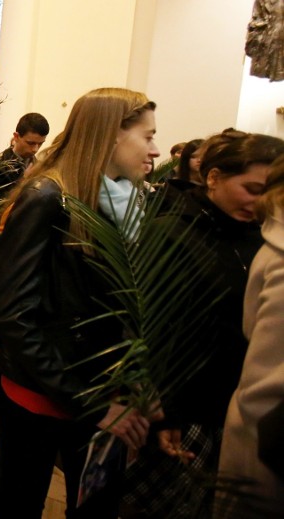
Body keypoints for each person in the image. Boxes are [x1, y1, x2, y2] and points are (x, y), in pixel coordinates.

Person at [0, 88, 161, 519]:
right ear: (111, 135)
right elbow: (12, 313)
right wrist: (90, 399)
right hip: (41, 392)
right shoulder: (47, 198)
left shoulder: (127, 204)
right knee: (20, 499)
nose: (155, 149)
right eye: (146, 137)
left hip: (99, 393)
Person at [124, 130, 284, 518]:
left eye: (269, 192)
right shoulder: (171, 231)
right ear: (213, 178)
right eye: (250, 188)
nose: (259, 202)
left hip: (232, 408)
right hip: (180, 413)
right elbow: (151, 330)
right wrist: (166, 413)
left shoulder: (262, 239)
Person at [217, 154, 284, 518]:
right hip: (263, 451)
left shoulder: (260, 238)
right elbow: (264, 393)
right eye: (249, 188)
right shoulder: (278, 251)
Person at [0, 112, 49, 198]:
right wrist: (24, 181)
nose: (35, 149)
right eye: (30, 143)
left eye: (40, 144)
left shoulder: (40, 166)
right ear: (16, 136)